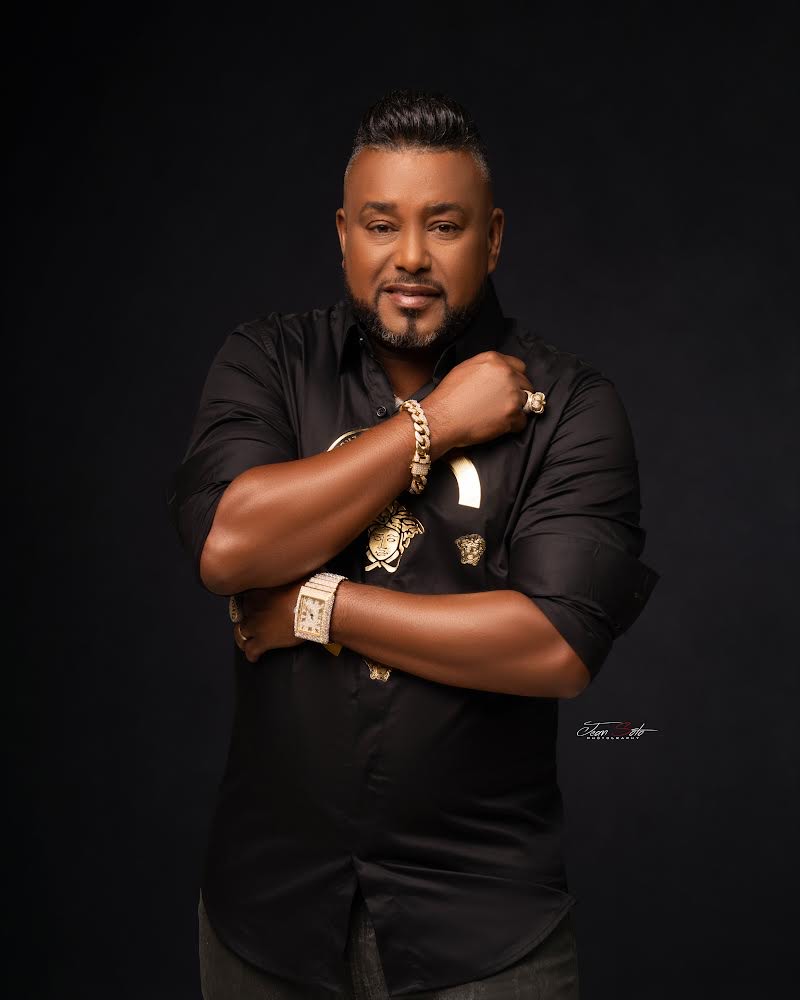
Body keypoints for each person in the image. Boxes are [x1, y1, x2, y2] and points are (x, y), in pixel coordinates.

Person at [167, 89, 660, 999]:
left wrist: (319, 607)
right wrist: (434, 423)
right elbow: (231, 546)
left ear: (492, 238)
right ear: (343, 235)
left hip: (485, 933)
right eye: (381, 224)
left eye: (444, 225)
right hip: (266, 919)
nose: (410, 257)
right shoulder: (268, 361)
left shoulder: (572, 406)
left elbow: (554, 646)